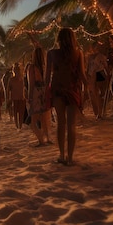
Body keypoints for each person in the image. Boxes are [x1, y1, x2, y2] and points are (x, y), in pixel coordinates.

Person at [47, 28, 86, 165]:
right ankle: (70, 158)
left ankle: (62, 155)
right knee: (71, 125)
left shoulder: (51, 54)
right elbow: (81, 74)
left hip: (57, 90)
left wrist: (46, 93)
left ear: (58, 39)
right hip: (72, 90)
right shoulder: (78, 54)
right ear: (73, 39)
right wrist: (88, 87)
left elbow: (47, 78)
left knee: (61, 124)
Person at [25, 46, 52, 145]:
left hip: (36, 93)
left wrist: (30, 97)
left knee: (33, 122)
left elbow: (31, 83)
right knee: (45, 119)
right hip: (44, 92)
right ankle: (47, 138)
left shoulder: (31, 67)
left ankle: (41, 140)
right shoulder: (45, 67)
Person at [85, 42, 108, 118]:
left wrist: (108, 75)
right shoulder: (90, 57)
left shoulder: (101, 56)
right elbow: (88, 67)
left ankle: (101, 111)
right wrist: (87, 75)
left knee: (101, 93)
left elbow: (105, 66)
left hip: (99, 73)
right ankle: (97, 112)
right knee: (94, 94)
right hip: (92, 75)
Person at [7, 63, 26, 128]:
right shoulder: (11, 80)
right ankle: (17, 125)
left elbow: (25, 88)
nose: (16, 71)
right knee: (15, 112)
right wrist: (9, 99)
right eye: (15, 70)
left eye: (17, 70)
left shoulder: (22, 78)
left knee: (21, 112)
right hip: (14, 98)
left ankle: (20, 125)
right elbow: (8, 90)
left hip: (21, 97)